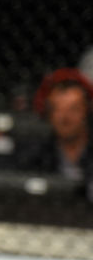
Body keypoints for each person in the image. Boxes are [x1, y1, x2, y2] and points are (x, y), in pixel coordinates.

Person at [29, 68, 93, 200]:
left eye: (74, 109)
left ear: (87, 111)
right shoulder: (36, 156)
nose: (65, 118)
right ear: (48, 114)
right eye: (58, 110)